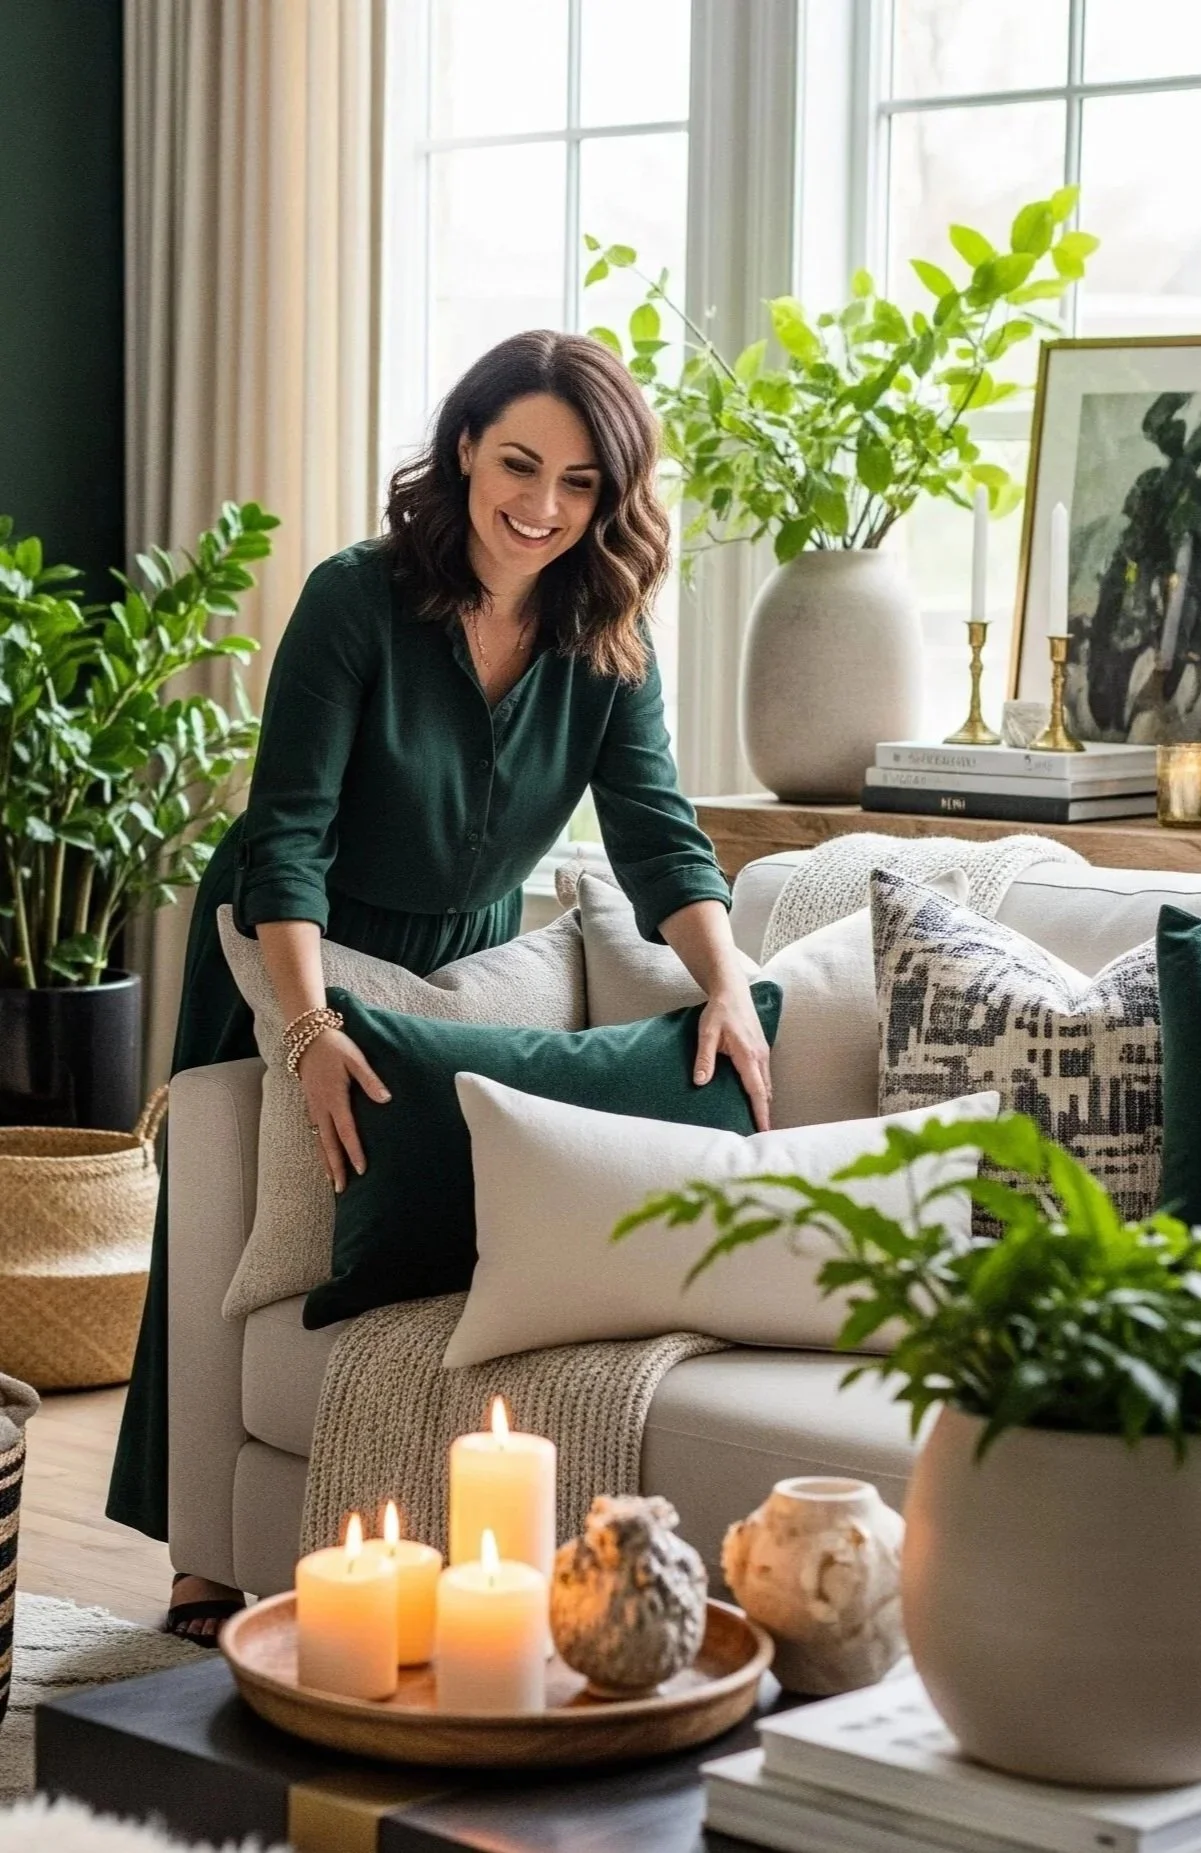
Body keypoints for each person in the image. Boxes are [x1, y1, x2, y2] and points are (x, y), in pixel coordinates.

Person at [107, 329, 773, 1642]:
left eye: (579, 482)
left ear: (610, 496)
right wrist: (302, 1024)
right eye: (517, 463)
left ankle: (406, 1536)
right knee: (233, 1227)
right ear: (465, 448)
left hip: (461, 961)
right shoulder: (358, 597)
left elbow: (657, 837)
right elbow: (288, 831)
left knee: (405, 1239)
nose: (539, 504)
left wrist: (728, 983)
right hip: (289, 938)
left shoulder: (605, 632)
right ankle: (200, 1563)